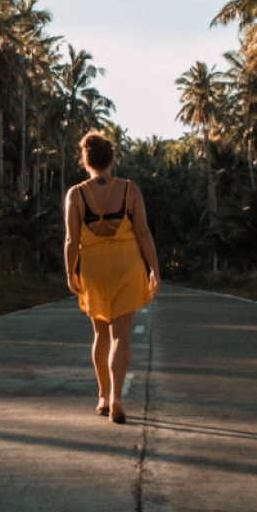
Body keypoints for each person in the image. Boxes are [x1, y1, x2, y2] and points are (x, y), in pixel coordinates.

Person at [64, 130, 160, 423]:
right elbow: (142, 232)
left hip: (93, 268)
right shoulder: (130, 190)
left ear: (86, 160)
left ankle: (103, 396)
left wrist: (71, 272)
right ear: (111, 158)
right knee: (121, 335)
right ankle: (118, 396)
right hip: (126, 265)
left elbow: (71, 239)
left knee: (99, 333)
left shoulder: (76, 194)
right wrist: (155, 268)